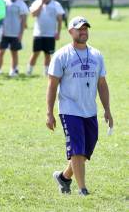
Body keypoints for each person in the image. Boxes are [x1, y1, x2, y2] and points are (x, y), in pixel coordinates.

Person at [46, 16, 113, 196]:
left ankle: (64, 177)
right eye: (79, 29)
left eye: (85, 29)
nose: (83, 32)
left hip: (90, 110)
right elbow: (52, 85)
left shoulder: (96, 55)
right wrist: (49, 113)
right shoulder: (61, 55)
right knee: (77, 149)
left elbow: (102, 84)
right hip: (69, 109)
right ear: (70, 32)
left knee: (85, 149)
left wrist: (107, 109)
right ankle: (82, 189)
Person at [26, 0, 64, 76]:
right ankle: (29, 70)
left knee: (48, 54)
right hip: (38, 34)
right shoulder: (36, 2)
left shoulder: (56, 5)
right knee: (35, 53)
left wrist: (58, 32)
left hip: (50, 35)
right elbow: (33, 14)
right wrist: (41, 4)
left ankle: (47, 71)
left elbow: (60, 20)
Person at [0, 0, 29, 77]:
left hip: (15, 33)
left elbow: (23, 20)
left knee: (14, 52)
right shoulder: (4, 1)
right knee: (0, 52)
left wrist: (21, 34)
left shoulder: (21, 3)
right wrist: (1, 30)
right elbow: (0, 16)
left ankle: (13, 70)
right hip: (4, 32)